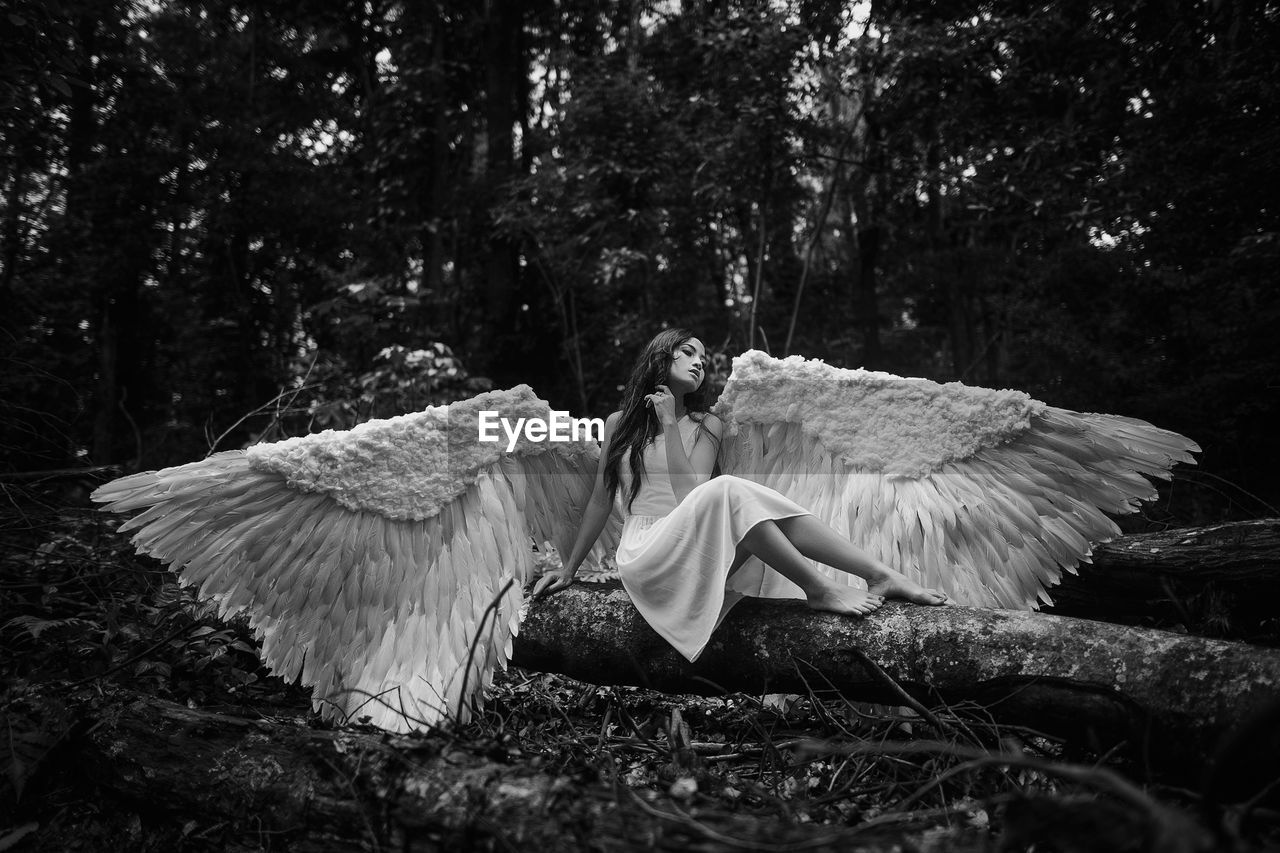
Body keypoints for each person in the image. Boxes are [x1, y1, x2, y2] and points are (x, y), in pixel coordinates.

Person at [532, 328, 948, 661]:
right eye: (689, 353)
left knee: (737, 498)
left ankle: (879, 575)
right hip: (646, 553)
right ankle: (818, 588)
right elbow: (602, 501)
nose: (699, 362)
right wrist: (569, 569)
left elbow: (689, 495)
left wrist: (672, 425)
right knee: (729, 491)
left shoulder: (706, 424)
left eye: (703, 357)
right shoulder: (619, 423)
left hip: (698, 549)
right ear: (662, 358)